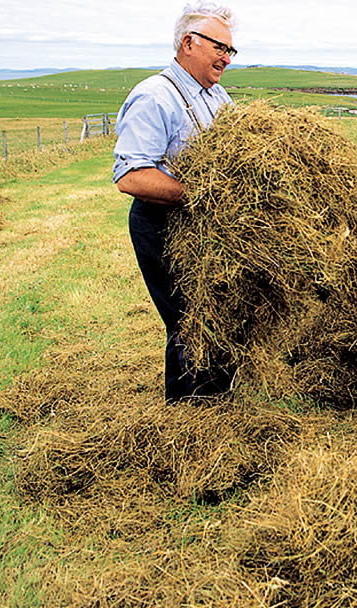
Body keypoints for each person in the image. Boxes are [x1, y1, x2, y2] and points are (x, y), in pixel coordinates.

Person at [112, 2, 238, 403]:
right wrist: (199, 194)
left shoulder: (216, 97)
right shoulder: (154, 97)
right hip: (164, 224)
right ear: (189, 42)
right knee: (190, 320)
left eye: (231, 51)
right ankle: (189, 416)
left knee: (221, 312)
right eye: (221, 48)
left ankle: (219, 402)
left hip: (207, 226)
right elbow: (131, 176)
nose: (227, 58)